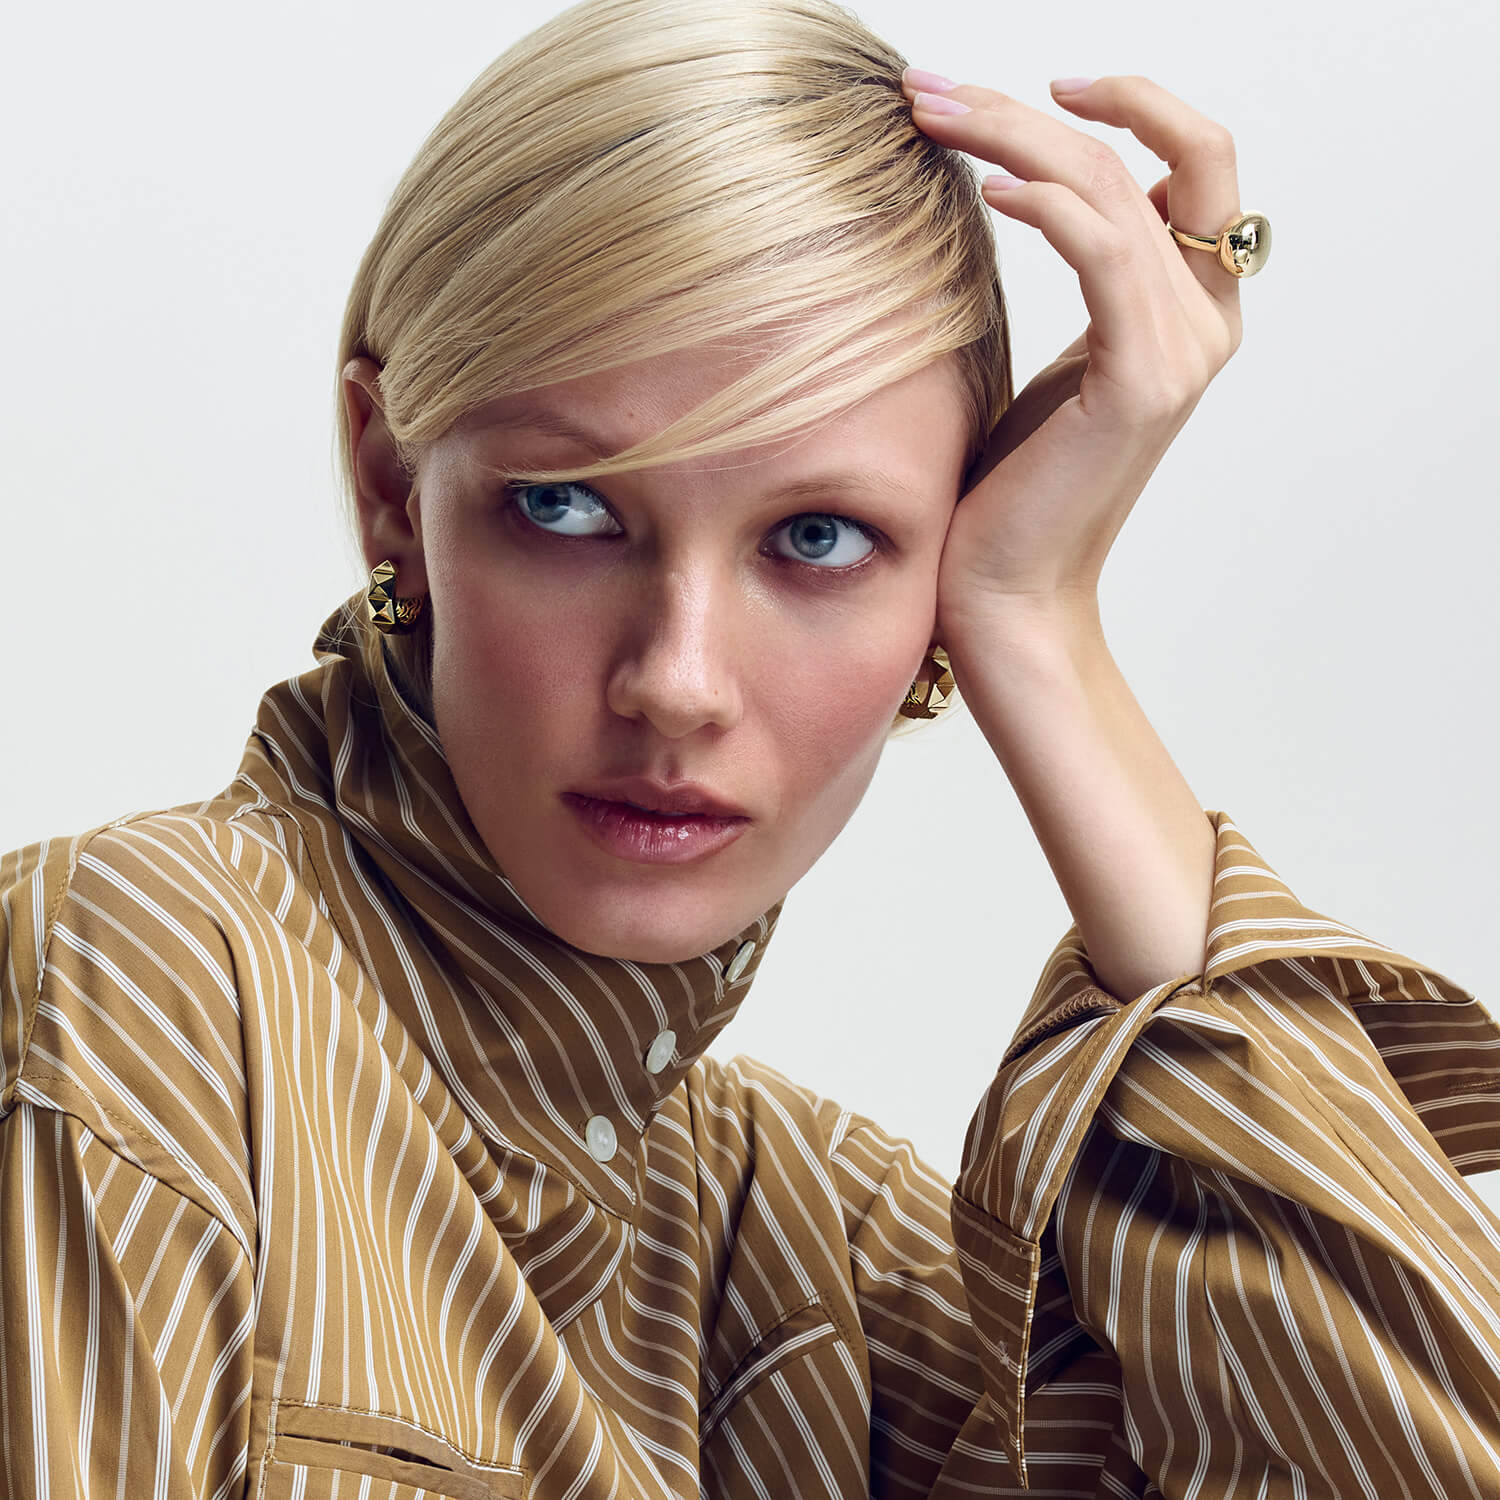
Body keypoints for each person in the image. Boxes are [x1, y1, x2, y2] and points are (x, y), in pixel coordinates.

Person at [2, 0, 1497, 1495]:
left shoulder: (818, 1250)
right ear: (393, 488)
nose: (678, 683)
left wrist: (1036, 622)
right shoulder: (141, 984)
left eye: (820, 538)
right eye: (569, 508)